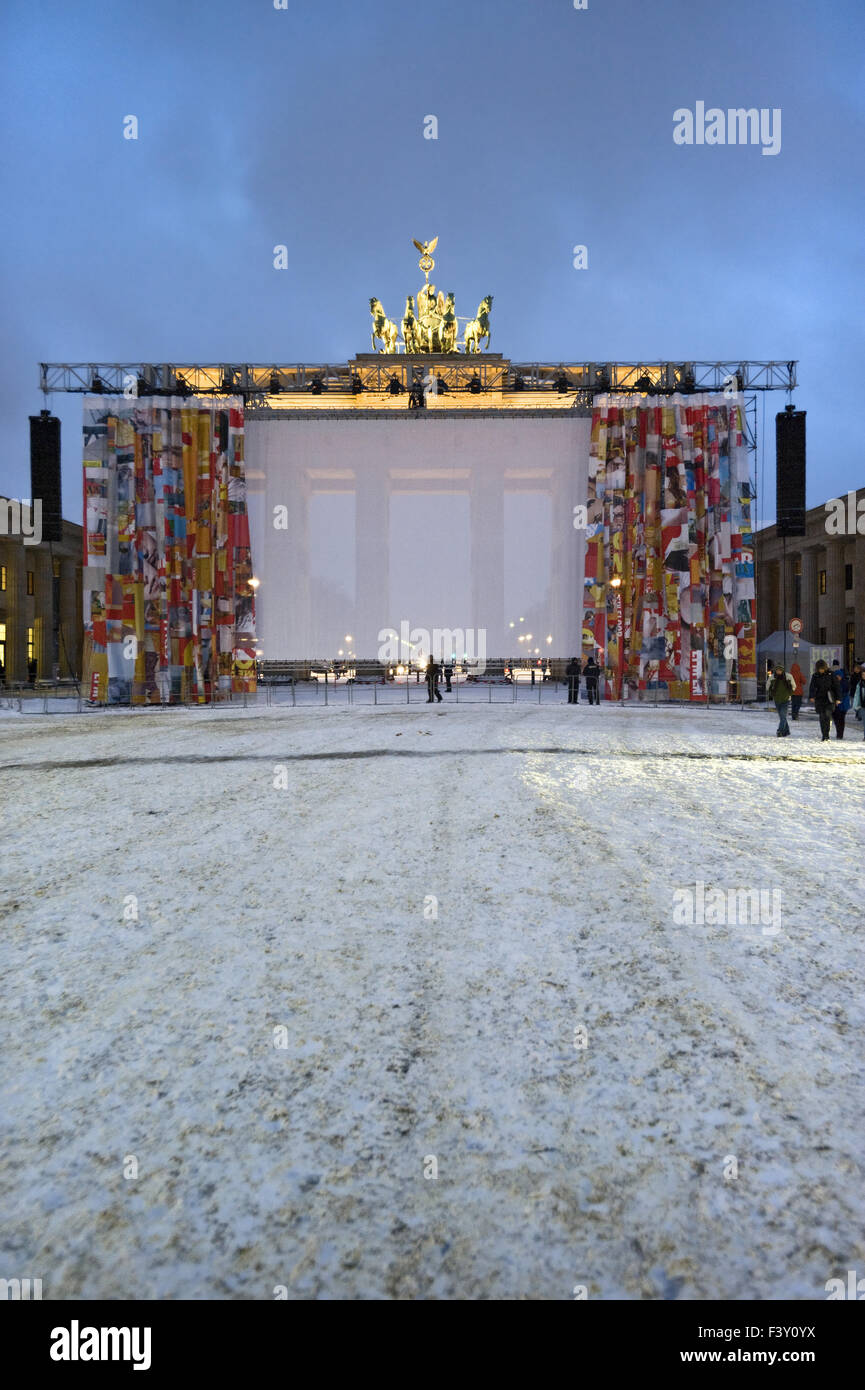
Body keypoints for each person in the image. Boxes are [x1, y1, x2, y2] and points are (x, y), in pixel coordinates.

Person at [808, 659, 836, 741]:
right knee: (822, 717)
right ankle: (824, 734)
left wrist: (838, 698)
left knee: (827, 715)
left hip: (829, 698)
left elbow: (836, 686)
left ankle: (826, 734)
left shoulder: (831, 674)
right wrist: (812, 696)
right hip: (819, 699)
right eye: (819, 669)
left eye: (822, 668)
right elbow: (812, 687)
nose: (821, 670)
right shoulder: (815, 676)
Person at [766, 663, 795, 737]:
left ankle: (780, 731)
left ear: (782, 670)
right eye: (777, 670)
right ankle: (787, 731)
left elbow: (794, 686)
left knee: (782, 716)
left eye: (780, 670)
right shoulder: (772, 677)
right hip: (777, 699)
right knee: (782, 716)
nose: (778, 671)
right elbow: (767, 686)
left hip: (786, 699)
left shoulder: (788, 676)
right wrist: (771, 693)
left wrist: (790, 693)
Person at [830, 659, 849, 739]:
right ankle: (839, 732)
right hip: (835, 704)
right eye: (836, 676)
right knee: (836, 719)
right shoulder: (833, 682)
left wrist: (839, 699)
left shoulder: (845, 682)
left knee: (841, 719)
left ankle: (840, 734)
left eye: (839, 676)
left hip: (843, 704)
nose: (838, 677)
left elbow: (845, 692)